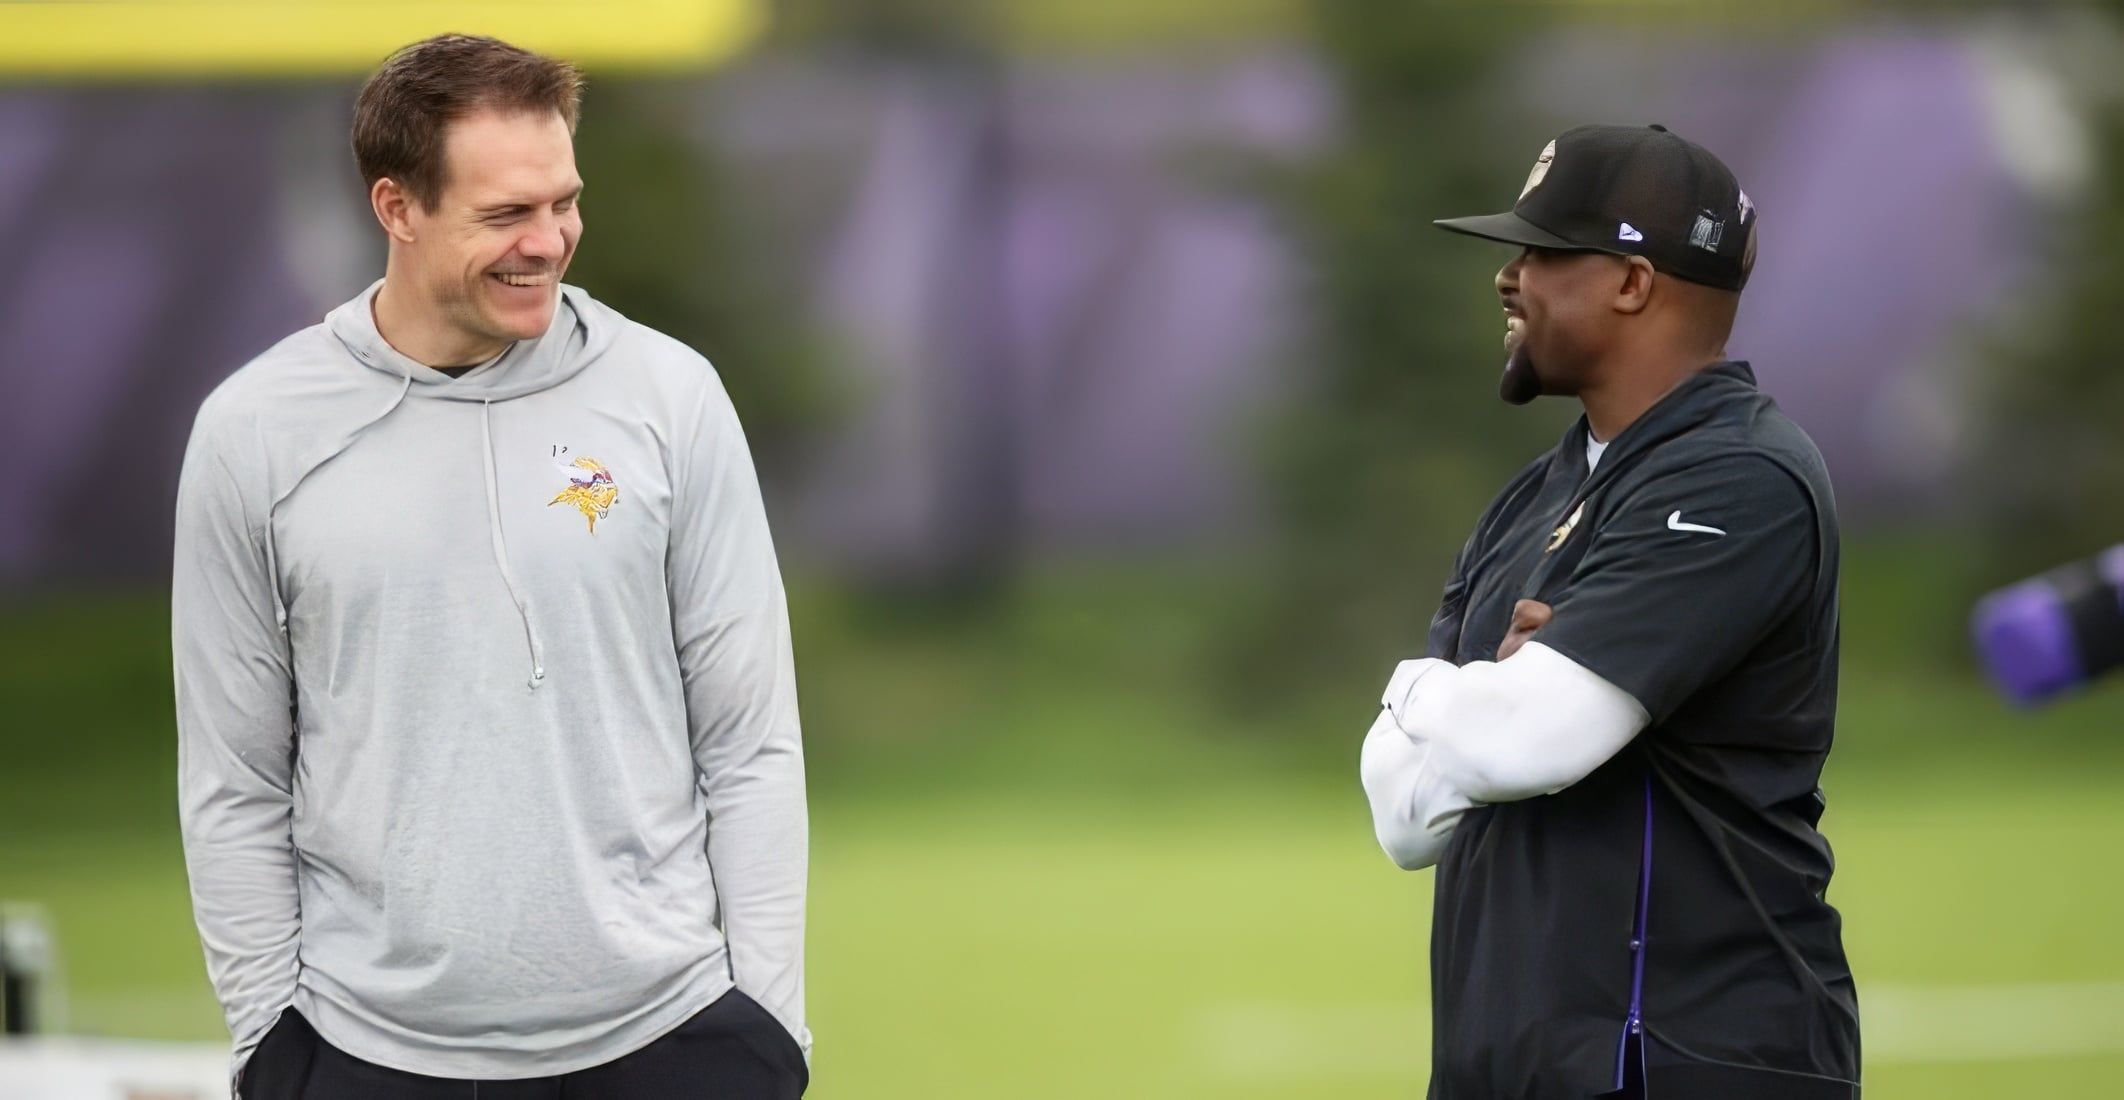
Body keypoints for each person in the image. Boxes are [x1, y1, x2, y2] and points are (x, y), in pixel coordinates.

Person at [172, 34, 809, 1099]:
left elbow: (749, 739)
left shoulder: (670, 395)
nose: (549, 241)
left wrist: (771, 1023)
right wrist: (269, 1048)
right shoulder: (254, 433)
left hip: (675, 1041)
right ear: (398, 208)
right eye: (506, 214)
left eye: (563, 201)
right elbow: (234, 779)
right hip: (369, 1056)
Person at [1358, 124, 1860, 1099]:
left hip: (1686, 1053)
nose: (1509, 279)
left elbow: (1527, 744)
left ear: (1633, 282)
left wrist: (1434, 691)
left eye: (1542, 251)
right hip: (1511, 1059)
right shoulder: (1527, 502)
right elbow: (1404, 813)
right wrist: (1486, 696)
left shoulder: (1737, 477)